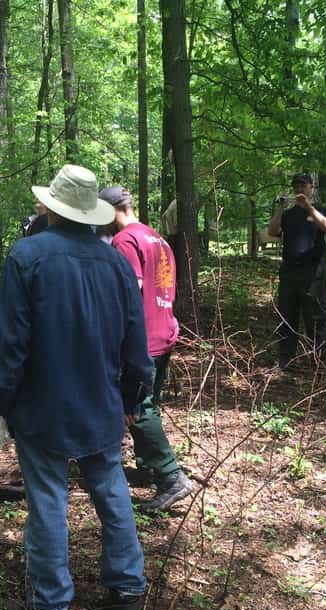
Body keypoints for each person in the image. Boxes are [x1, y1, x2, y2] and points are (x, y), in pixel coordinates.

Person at [0, 165, 153, 610]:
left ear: (54, 207)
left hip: (43, 406)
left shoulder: (27, 257)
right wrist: (135, 395)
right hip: (101, 403)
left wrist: (0, 402)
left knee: (49, 502)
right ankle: (127, 597)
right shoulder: (114, 261)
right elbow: (135, 341)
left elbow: (10, 342)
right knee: (111, 492)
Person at [99, 185, 194, 511]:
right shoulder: (157, 238)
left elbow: (129, 293)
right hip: (164, 330)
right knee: (149, 400)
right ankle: (149, 467)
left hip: (143, 339)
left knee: (137, 408)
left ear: (113, 210)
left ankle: (171, 476)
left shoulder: (125, 240)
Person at [267, 172, 326, 369]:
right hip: (289, 271)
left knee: (314, 316)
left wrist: (309, 208)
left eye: (303, 185)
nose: (299, 189)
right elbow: (272, 231)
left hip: (313, 272)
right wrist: (280, 207)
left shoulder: (321, 210)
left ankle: (317, 359)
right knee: (287, 315)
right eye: (296, 186)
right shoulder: (288, 214)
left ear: (311, 188)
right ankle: (286, 358)